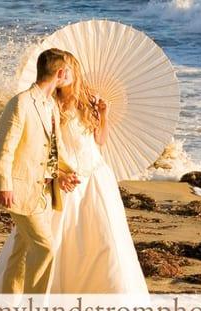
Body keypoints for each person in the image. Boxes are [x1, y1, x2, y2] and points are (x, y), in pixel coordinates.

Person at [0, 48, 80, 294]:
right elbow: (4, 148)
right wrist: (4, 185)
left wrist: (64, 173)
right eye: (69, 71)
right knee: (45, 248)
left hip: (43, 191)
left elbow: (54, 148)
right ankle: (35, 310)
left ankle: (8, 306)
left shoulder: (50, 105)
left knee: (21, 251)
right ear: (60, 72)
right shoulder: (20, 103)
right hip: (20, 189)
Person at [47, 51, 149, 295]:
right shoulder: (51, 103)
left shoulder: (89, 101)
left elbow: (100, 140)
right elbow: (50, 144)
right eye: (58, 71)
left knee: (103, 236)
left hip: (95, 173)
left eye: (67, 70)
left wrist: (103, 115)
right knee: (62, 234)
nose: (63, 75)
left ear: (75, 72)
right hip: (68, 174)